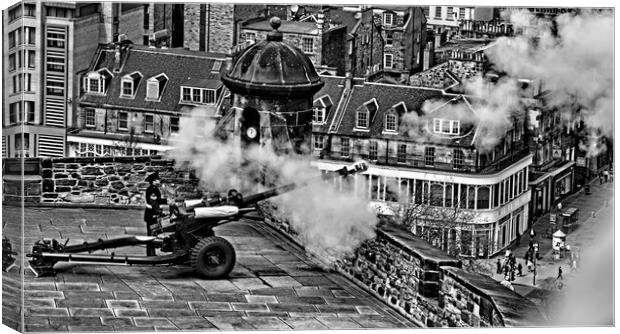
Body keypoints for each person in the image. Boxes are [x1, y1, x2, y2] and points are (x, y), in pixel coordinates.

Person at [144, 172, 163, 256]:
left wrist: (167, 201)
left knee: (153, 233)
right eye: (157, 179)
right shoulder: (152, 190)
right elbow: (153, 202)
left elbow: (158, 200)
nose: (159, 181)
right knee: (151, 234)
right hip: (151, 214)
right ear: (154, 181)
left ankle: (151, 253)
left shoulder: (154, 188)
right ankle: (150, 254)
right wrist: (160, 212)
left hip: (152, 214)